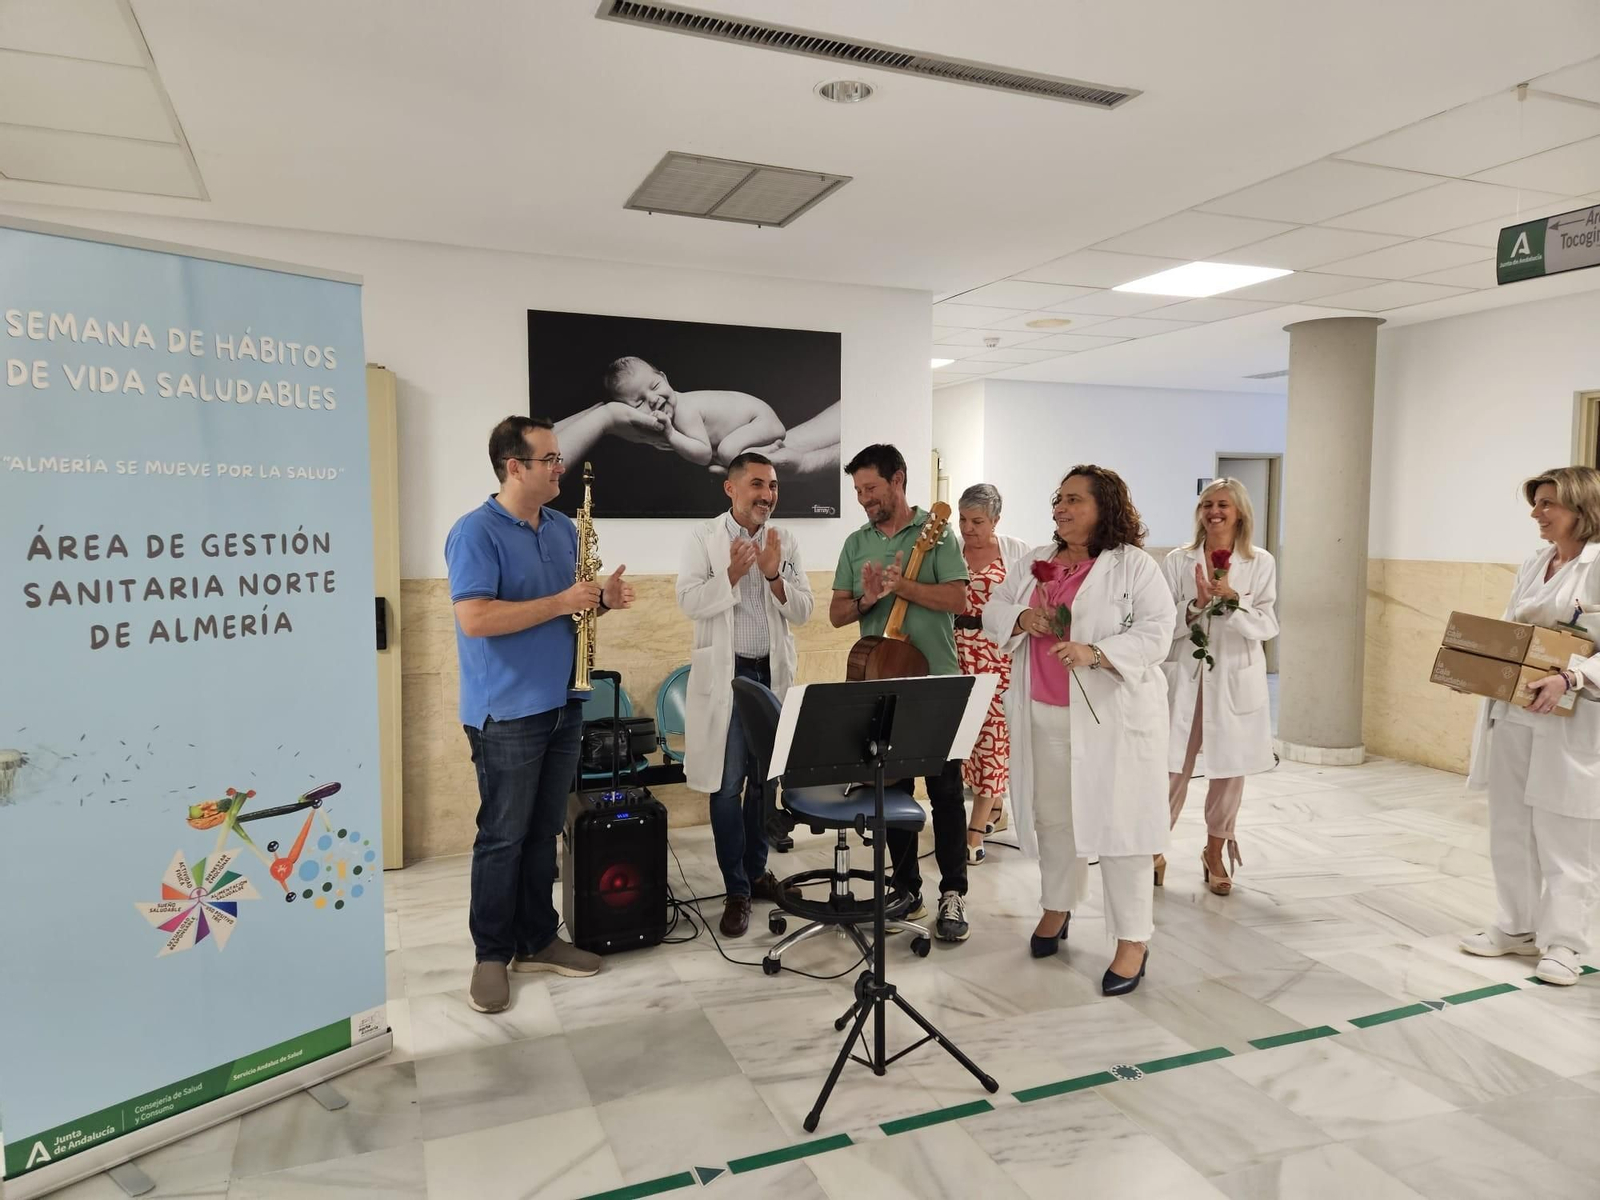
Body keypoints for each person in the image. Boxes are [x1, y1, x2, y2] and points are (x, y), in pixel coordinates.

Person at [445, 415, 635, 1014]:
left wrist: (601, 600)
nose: (561, 466)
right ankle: (490, 954)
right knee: (502, 837)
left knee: (542, 832)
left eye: (558, 457)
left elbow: (569, 616)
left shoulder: (562, 529)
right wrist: (562, 600)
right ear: (514, 467)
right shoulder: (475, 532)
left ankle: (536, 939)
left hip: (563, 703)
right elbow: (475, 618)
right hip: (506, 711)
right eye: (549, 458)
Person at [983, 466, 1174, 995]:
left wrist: (1099, 652)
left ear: (1104, 506)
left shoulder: (1133, 566)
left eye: (1074, 500)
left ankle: (1132, 939)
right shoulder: (1035, 562)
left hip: (1109, 719)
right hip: (1042, 711)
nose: (1060, 509)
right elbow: (993, 608)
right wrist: (1023, 618)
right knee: (1053, 819)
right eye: (1057, 500)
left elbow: (1159, 632)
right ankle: (1057, 905)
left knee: (1120, 827)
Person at [1461, 466, 1600, 986]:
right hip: (1517, 709)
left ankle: (1567, 944)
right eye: (1536, 503)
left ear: (1580, 509)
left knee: (1568, 832)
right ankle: (1516, 925)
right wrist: (1474, 668)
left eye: (1547, 504)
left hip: (1576, 714)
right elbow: (1512, 633)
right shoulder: (1536, 560)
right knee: (1512, 823)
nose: (1536, 514)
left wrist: (1572, 676)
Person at [830, 444, 972, 941]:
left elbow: (958, 597)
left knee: (947, 793)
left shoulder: (938, 536)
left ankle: (953, 893)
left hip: (936, 682)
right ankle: (906, 886)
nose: (865, 499)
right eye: (858, 491)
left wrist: (902, 587)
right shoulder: (856, 543)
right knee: (890, 791)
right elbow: (837, 614)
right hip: (881, 681)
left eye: (871, 488)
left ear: (898, 479)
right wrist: (869, 597)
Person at [677, 452, 814, 936]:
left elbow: (803, 611)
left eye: (773, 485)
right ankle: (735, 887)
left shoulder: (786, 540)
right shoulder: (704, 538)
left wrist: (775, 574)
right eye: (758, 484)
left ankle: (757, 874)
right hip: (727, 680)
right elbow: (688, 601)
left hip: (769, 676)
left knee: (764, 782)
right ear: (731, 489)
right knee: (726, 784)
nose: (768, 495)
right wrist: (732, 574)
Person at [1159, 478, 1279, 895]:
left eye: (1223, 505)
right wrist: (1193, 605)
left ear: (1240, 512)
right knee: (1171, 766)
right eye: (1207, 504)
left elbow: (1267, 624)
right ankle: (1154, 849)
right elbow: (1160, 622)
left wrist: (1232, 600)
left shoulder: (1259, 562)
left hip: (1233, 677)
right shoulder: (1178, 561)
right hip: (1188, 678)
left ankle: (1214, 851)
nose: (1214, 512)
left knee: (1228, 772)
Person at [954, 484, 1029, 863]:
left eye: (977, 521)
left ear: (996, 520)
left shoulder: (1015, 552)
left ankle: (975, 829)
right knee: (963, 740)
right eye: (963, 519)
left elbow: (1030, 602)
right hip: (956, 653)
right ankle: (991, 807)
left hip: (998, 656)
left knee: (994, 740)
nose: (968, 528)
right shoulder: (951, 549)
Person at [603, 356, 787, 471]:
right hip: (755, 422)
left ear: (664, 378)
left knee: (727, 451)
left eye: (655, 386)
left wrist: (671, 434)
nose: (653, 399)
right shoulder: (667, 413)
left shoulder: (684, 410)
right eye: (640, 402)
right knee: (725, 454)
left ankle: (769, 451)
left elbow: (704, 455)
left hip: (760, 420)